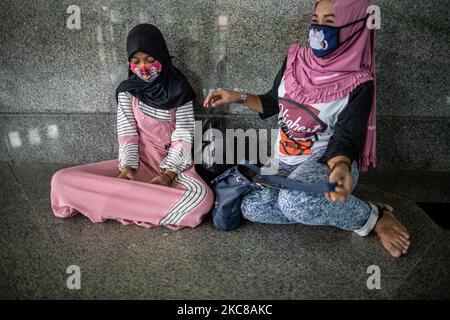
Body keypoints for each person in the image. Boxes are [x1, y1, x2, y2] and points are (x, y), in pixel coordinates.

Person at [203, 0, 410, 257]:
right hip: (283, 164)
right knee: (250, 207)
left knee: (293, 202)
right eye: (315, 20)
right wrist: (237, 96)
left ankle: (373, 218)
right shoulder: (295, 60)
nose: (318, 29)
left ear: (353, 28)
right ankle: (340, 207)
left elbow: (346, 138)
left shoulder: (359, 83)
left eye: (330, 23)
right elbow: (271, 103)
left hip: (327, 165)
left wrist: (342, 166)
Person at [50, 24, 214, 229]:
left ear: (162, 56)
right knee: (60, 180)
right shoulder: (127, 91)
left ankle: (116, 202)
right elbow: (127, 136)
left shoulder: (179, 90)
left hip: (176, 169)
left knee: (201, 200)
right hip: (138, 163)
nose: (143, 68)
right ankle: (141, 201)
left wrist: (168, 175)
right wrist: (127, 169)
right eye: (135, 61)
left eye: (150, 60)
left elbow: (183, 136)